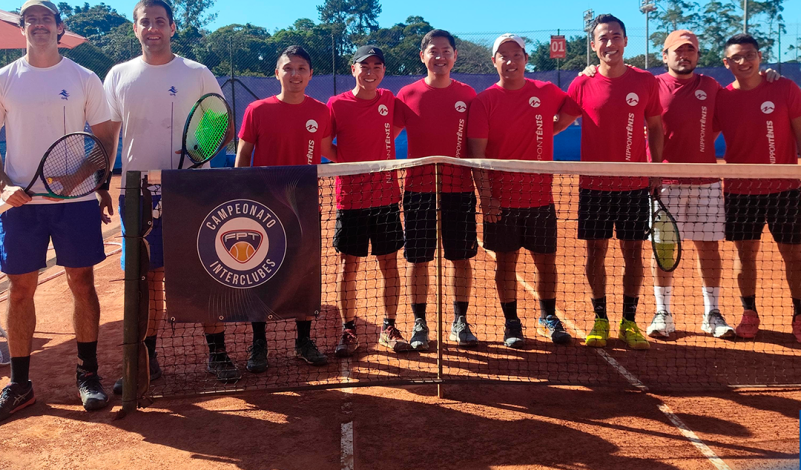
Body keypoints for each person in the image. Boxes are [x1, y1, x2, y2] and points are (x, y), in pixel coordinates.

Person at [106, 0, 239, 395]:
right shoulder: (117, 75)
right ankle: (147, 359)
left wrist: (196, 153)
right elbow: (109, 135)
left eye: (160, 22)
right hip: (138, 193)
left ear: (172, 28)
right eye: (145, 22)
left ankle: (217, 353)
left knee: (205, 272)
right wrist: (100, 183)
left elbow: (223, 127)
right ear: (135, 28)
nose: (153, 28)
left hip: (193, 190)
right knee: (148, 278)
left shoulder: (197, 73)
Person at [0, 0, 116, 421]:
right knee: (20, 289)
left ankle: (88, 375)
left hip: (76, 202)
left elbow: (105, 136)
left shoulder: (84, 78)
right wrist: (3, 185)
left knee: (82, 284)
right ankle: (20, 385)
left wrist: (82, 179)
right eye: (30, 19)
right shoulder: (5, 79)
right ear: (22, 29)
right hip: (20, 205)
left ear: (60, 27)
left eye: (45, 18)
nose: (38, 24)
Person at [467, 34, 581, 348]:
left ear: (526, 59)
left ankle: (548, 317)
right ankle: (511, 322)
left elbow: (573, 108)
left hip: (540, 199)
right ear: (494, 61)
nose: (511, 61)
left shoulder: (546, 91)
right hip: (501, 202)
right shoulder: (484, 101)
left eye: (516, 54)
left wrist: (548, 127)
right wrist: (486, 198)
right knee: (506, 264)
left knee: (546, 262)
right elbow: (477, 154)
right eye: (503, 55)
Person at [235, 45, 335, 370]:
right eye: (288, 68)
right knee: (260, 274)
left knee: (304, 275)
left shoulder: (321, 111)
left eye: (302, 68)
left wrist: (375, 157)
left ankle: (303, 341)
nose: (295, 74)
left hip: (305, 208)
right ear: (277, 73)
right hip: (263, 209)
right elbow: (243, 155)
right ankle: (259, 343)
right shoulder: (257, 110)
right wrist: (241, 197)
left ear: (310, 74)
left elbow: (328, 150)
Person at [567, 14, 664, 350]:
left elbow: (655, 127)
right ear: (593, 45)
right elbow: (557, 122)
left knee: (633, 254)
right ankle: (600, 319)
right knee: (595, 253)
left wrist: (655, 170)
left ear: (625, 41)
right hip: (593, 187)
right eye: (603, 38)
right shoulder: (581, 83)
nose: (610, 43)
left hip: (633, 186)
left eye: (615, 37)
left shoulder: (645, 81)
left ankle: (629, 322)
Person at [393, 29, 479, 350]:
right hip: (418, 191)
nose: (440, 56)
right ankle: (420, 323)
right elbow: (386, 134)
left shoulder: (468, 95)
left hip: (460, 190)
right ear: (422, 56)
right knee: (418, 260)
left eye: (446, 51)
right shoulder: (407, 94)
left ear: (455, 56)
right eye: (433, 51)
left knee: (461, 258)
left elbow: (478, 141)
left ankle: (460, 321)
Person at [715, 33, 801, 343]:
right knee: (745, 254)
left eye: (749, 54)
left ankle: (799, 314)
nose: (744, 61)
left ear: (760, 57)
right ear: (727, 63)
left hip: (785, 190)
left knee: (794, 255)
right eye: (736, 57)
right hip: (740, 191)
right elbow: (699, 133)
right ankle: (748, 312)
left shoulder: (785, 88)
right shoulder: (721, 98)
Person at [328, 45, 409, 356]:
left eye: (377, 66)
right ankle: (348, 329)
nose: (370, 71)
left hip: (386, 198)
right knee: (348, 266)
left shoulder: (389, 99)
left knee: (389, 265)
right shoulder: (336, 104)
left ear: (383, 71)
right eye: (364, 66)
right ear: (353, 69)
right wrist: (349, 160)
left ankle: (389, 326)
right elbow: (324, 143)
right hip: (350, 200)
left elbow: (395, 130)